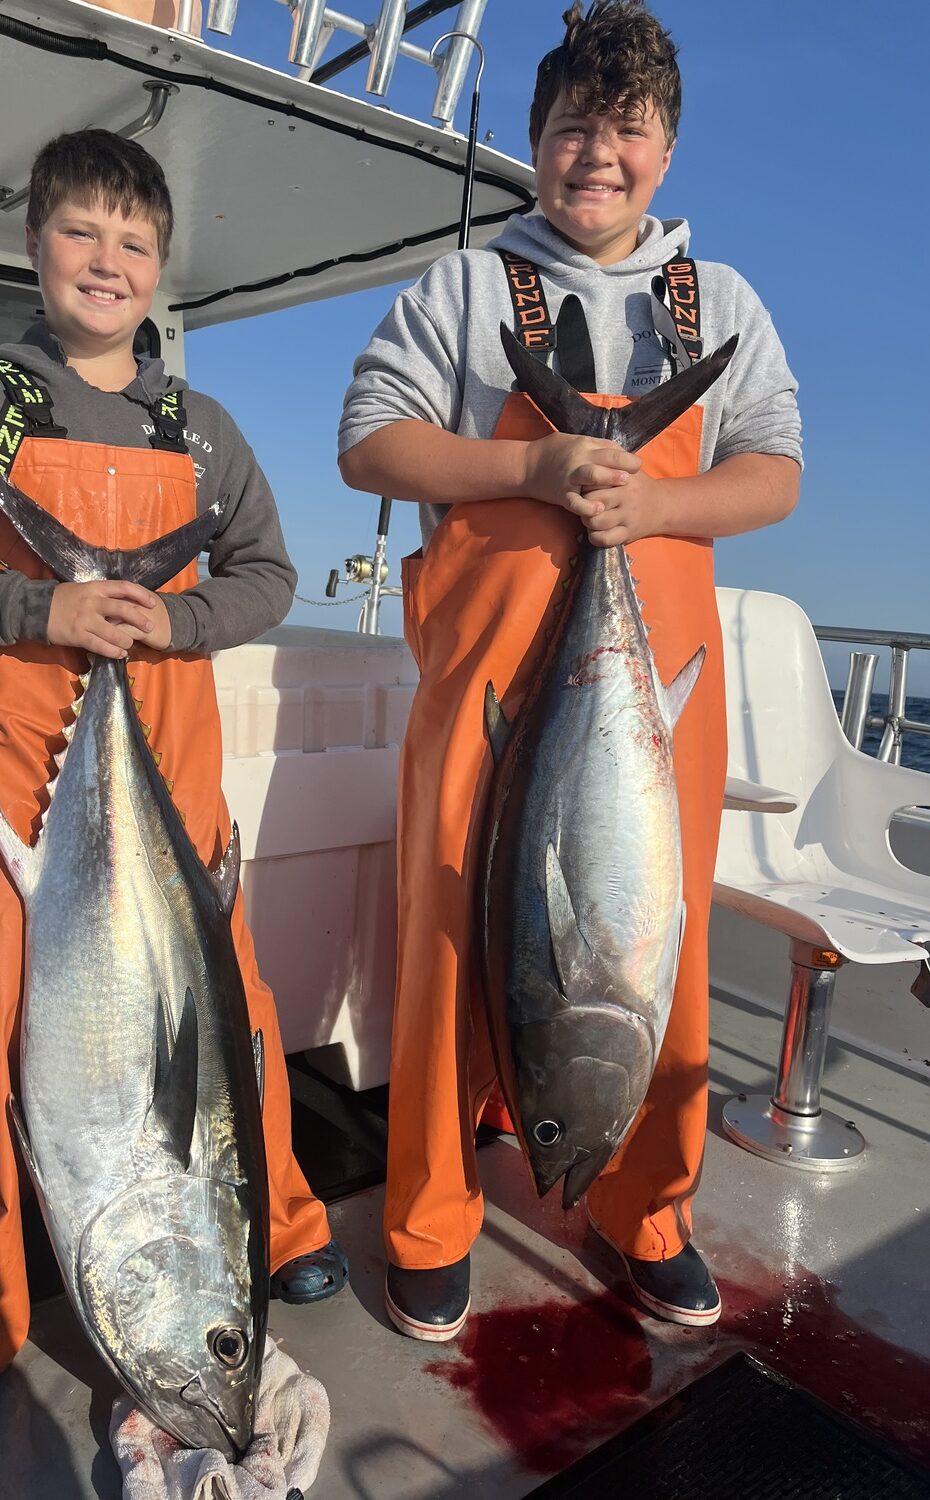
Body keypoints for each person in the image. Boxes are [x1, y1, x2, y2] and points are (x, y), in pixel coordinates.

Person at [0, 129, 348, 1443]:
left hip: (162, 749)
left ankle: (274, 1223)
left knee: (227, 1003)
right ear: (35, 246)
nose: (106, 262)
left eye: (132, 242)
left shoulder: (204, 427)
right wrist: (43, 607)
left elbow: (269, 577)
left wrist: (171, 629)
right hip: (17, 757)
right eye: (81, 233)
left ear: (160, 263)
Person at [338, 0, 801, 1343]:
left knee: (659, 951)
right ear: (536, 140)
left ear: (666, 150)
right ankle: (430, 1218)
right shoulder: (468, 289)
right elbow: (371, 445)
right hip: (481, 694)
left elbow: (770, 473)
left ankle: (643, 1211)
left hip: (650, 705)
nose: (595, 155)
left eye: (627, 131)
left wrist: (650, 509)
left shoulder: (722, 304)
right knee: (443, 950)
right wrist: (530, 469)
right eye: (571, 130)